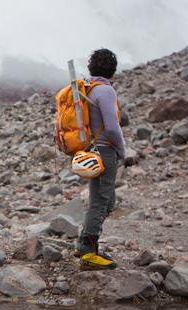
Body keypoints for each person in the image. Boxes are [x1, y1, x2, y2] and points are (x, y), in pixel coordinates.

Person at [74, 49, 127, 271]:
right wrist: (122, 150)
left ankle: (86, 241)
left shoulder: (88, 88)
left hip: (92, 149)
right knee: (101, 200)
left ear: (91, 68)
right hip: (105, 151)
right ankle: (88, 250)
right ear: (113, 71)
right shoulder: (105, 91)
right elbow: (113, 127)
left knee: (107, 200)